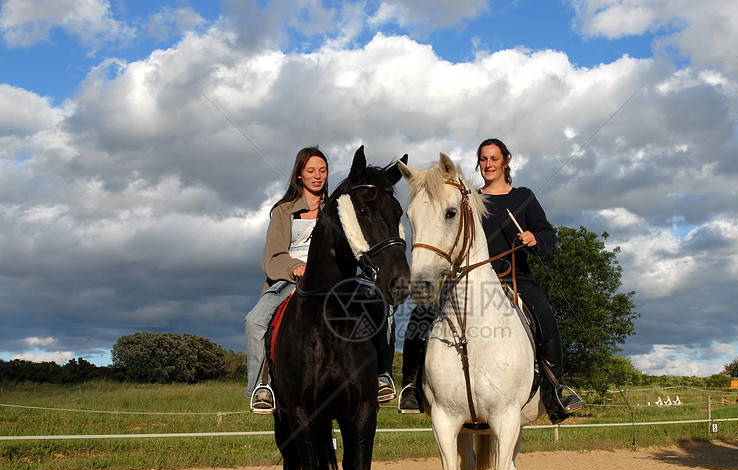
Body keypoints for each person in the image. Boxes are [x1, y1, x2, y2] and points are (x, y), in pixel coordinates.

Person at [398, 138, 583, 423]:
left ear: (506, 161)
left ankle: (554, 389)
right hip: (466, 280)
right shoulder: (467, 198)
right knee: (420, 314)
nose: (488, 164)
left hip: (514, 277)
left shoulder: (523, 197)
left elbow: (549, 236)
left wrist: (535, 238)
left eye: (494, 158)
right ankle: (411, 385)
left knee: (545, 315)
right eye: (483, 159)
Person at [245, 146, 397, 414]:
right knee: (255, 320)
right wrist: (296, 267)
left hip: (337, 278)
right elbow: (272, 257)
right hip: (293, 279)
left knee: (382, 308)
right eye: (311, 171)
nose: (317, 176)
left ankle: (381, 375)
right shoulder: (283, 211)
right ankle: (261, 386)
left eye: (322, 171)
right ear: (299, 175)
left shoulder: (340, 207)